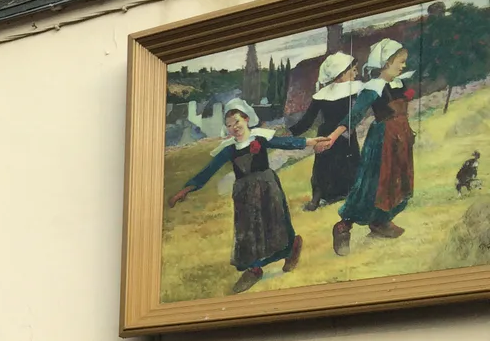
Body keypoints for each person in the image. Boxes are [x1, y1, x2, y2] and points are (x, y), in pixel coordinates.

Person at [169, 98, 314, 294]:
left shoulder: (260, 138)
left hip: (267, 186)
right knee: (247, 231)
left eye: (237, 121)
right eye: (229, 125)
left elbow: (286, 142)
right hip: (243, 194)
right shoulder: (228, 149)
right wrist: (186, 189)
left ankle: (291, 248)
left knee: (275, 221)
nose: (234, 127)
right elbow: (209, 170)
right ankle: (254, 269)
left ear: (246, 119)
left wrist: (311, 142)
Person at [334, 39, 415, 255]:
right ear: (387, 62)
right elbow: (355, 115)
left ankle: (380, 222)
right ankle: (343, 226)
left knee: (396, 183)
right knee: (372, 185)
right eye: (400, 61)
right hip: (382, 140)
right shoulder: (373, 88)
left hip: (401, 138)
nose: (403, 66)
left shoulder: (399, 84)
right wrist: (333, 136)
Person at [287, 51, 362, 211]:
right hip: (327, 133)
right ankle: (317, 198)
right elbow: (308, 119)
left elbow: (354, 114)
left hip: (345, 133)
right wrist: (291, 133)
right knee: (322, 167)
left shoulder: (354, 89)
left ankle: (347, 193)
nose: (356, 73)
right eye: (353, 70)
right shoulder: (322, 94)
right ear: (341, 72)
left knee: (349, 163)